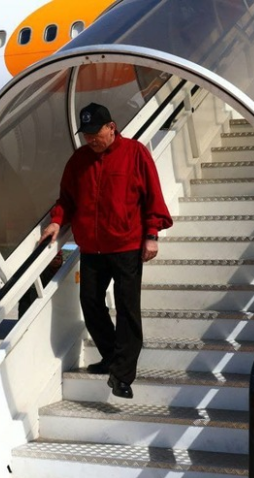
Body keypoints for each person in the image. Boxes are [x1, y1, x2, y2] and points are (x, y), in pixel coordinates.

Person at [41, 103, 173, 399]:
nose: (90, 139)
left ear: (111, 128)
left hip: (127, 246)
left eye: (94, 133)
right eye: (86, 134)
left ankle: (122, 376)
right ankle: (113, 357)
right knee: (90, 302)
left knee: (127, 310)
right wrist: (57, 221)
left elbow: (152, 196)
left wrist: (152, 235)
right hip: (92, 248)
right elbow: (67, 200)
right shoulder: (78, 161)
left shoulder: (135, 153)